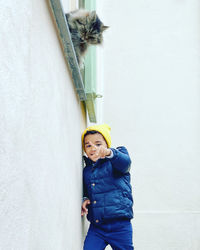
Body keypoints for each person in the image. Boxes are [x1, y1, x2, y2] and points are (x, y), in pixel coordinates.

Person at [81, 124, 134, 250]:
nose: (93, 148)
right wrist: (85, 198)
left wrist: (111, 153)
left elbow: (125, 164)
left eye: (98, 144)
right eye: (88, 145)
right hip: (97, 226)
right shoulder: (87, 170)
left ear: (107, 145)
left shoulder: (115, 161)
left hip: (120, 224)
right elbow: (86, 190)